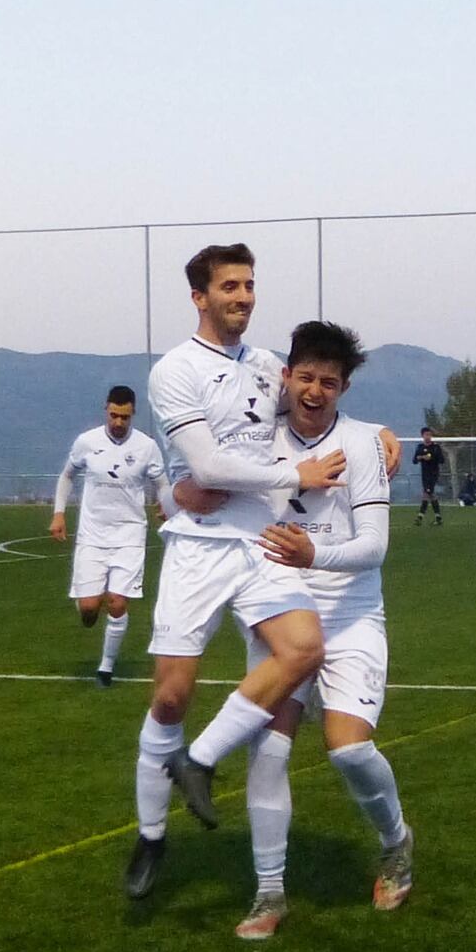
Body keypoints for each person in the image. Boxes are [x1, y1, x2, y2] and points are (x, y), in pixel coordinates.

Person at [121, 243, 344, 903]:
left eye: (249, 285)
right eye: (230, 287)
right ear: (200, 297)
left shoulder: (270, 366)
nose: (244, 296)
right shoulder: (175, 372)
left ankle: (198, 760)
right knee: (170, 698)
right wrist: (286, 475)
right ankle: (152, 834)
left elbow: (315, 412)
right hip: (196, 548)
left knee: (303, 648)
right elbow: (209, 469)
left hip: (258, 542)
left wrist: (377, 437)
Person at [181, 321, 412, 939]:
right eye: (306, 377)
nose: (315, 391)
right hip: (282, 609)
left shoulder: (364, 445)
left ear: (344, 388)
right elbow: (196, 470)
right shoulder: (258, 435)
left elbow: (375, 548)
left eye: (329, 382)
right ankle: (268, 893)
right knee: (270, 750)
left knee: (350, 749)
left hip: (352, 613)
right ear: (286, 376)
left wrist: (315, 555)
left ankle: (396, 843)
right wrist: (179, 492)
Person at [50, 385, 167, 687]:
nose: (118, 422)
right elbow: (67, 476)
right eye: (114, 415)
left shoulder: (146, 446)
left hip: (129, 534)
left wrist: (166, 506)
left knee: (116, 602)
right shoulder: (86, 442)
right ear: (106, 410)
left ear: (133, 414)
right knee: (89, 610)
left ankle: (106, 668)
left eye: (124, 417)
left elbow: (162, 483)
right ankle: (89, 606)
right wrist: (59, 513)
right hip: (92, 535)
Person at [413, 427, 445, 526]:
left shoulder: (435, 447)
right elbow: (414, 460)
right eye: (426, 435)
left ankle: (420, 517)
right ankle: (438, 517)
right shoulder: (420, 447)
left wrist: (432, 457)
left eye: (430, 435)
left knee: (427, 493)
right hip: (425, 474)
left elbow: (442, 460)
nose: (428, 437)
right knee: (430, 494)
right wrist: (422, 457)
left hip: (433, 474)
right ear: (422, 436)